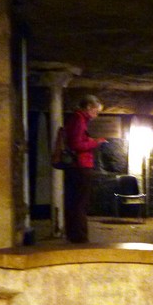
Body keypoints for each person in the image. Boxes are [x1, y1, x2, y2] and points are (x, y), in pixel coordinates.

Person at [62, 95, 107, 243]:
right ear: (88, 107)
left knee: (76, 202)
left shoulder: (78, 119)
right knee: (79, 203)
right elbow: (76, 144)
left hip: (79, 166)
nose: (96, 115)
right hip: (80, 166)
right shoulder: (78, 119)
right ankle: (79, 238)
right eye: (96, 110)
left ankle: (75, 235)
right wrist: (95, 142)